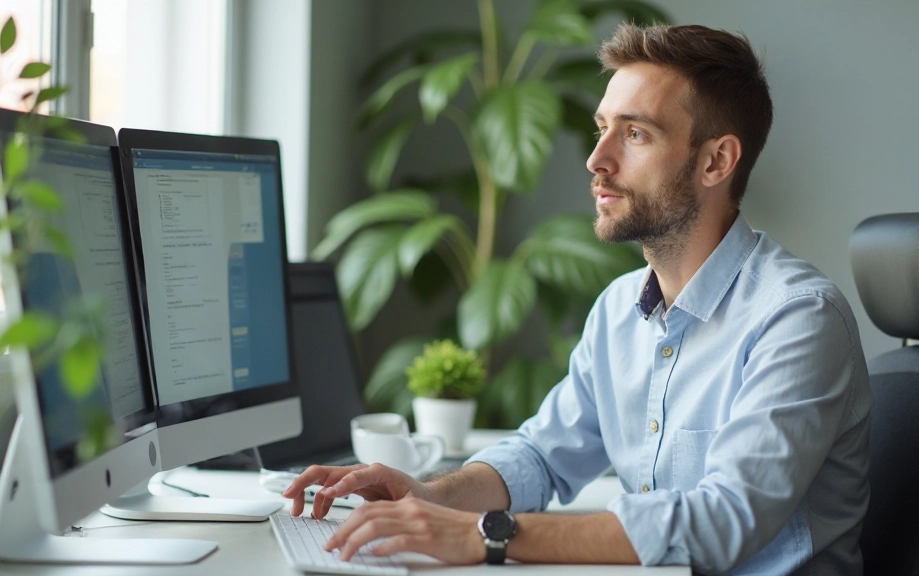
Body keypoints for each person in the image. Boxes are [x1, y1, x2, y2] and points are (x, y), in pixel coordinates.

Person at [285, 23, 871, 575]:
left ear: (716, 160)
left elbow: (722, 522)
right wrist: (430, 496)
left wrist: (484, 535)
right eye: (603, 128)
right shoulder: (620, 310)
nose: (597, 160)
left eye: (635, 133)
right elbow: (541, 456)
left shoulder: (796, 318)